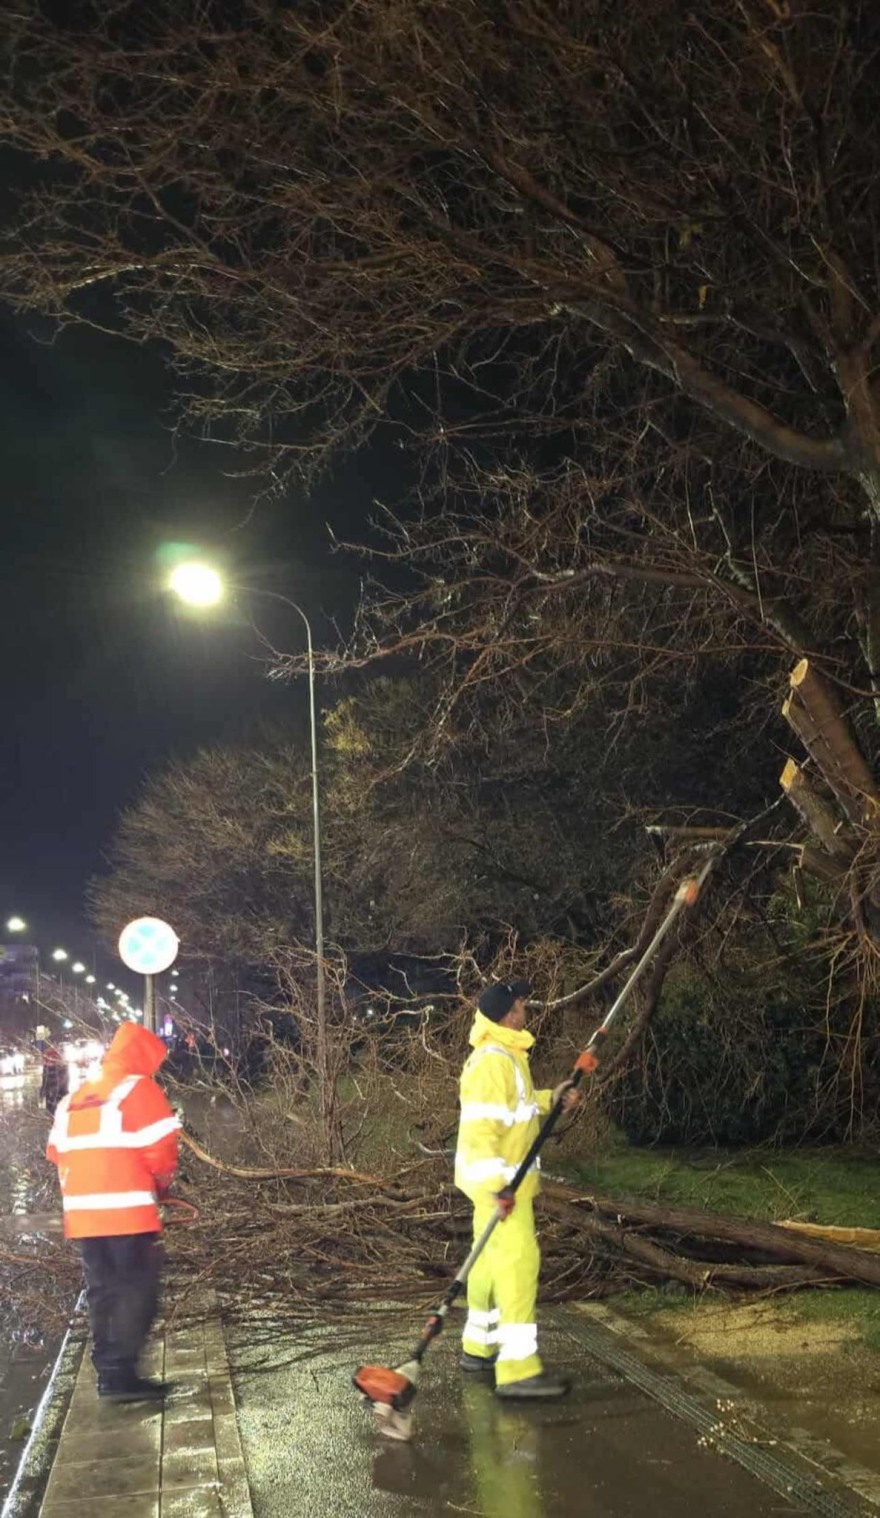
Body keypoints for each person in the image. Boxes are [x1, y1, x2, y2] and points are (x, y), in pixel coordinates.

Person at [454, 979, 580, 1399]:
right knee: (519, 1267)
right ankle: (517, 1370)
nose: (526, 1008)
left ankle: (479, 1346)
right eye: (522, 1003)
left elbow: (517, 1108)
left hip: (492, 1188)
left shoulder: (506, 1055)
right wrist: (499, 1191)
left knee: (487, 1264)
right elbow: (481, 1132)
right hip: (504, 1189)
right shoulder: (494, 1061)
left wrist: (551, 1098)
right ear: (510, 1012)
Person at [46, 1022, 180, 1403]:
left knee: (102, 1292)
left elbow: (55, 1150)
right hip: (128, 1214)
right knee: (137, 1290)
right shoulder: (138, 1089)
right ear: (144, 1057)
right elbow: (162, 1152)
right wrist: (162, 1186)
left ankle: (108, 1374)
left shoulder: (78, 1095)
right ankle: (123, 1376)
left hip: (84, 1218)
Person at [39, 1042, 69, 1117]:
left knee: (52, 1111)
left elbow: (45, 1081)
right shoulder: (63, 1066)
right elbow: (65, 1082)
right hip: (58, 1094)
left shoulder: (48, 1067)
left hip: (53, 1093)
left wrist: (42, 1092)